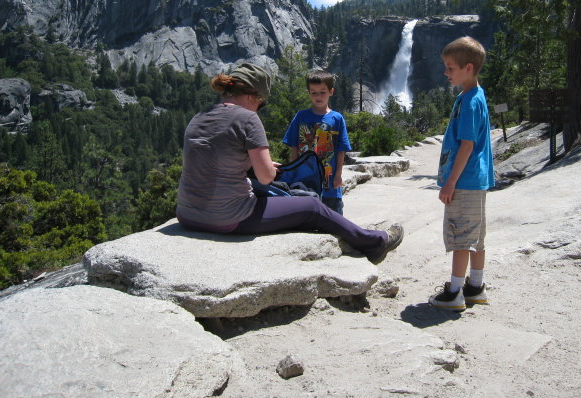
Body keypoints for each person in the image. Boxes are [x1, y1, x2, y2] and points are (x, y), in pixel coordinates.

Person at [176, 62, 403, 264]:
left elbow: (214, 162)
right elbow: (266, 177)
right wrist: (263, 167)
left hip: (187, 215)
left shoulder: (199, 117)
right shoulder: (247, 118)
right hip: (228, 218)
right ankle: (375, 242)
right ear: (252, 96)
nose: (259, 110)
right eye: (261, 104)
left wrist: (253, 163)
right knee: (311, 206)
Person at [429, 37, 495, 311]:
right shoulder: (472, 96)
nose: (446, 72)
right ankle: (475, 287)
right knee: (476, 237)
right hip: (476, 181)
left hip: (464, 182)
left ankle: (455, 292)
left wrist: (450, 182)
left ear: (468, 68)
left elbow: (467, 145)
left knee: (460, 238)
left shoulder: (469, 102)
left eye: (450, 68)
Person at [282, 70, 351, 215]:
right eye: (313, 92)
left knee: (335, 219)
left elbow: (341, 150)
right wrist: (293, 171)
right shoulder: (300, 117)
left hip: (330, 186)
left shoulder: (337, 119)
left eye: (322, 92)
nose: (318, 96)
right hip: (303, 182)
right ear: (308, 93)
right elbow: (294, 145)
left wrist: (338, 174)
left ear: (331, 92)